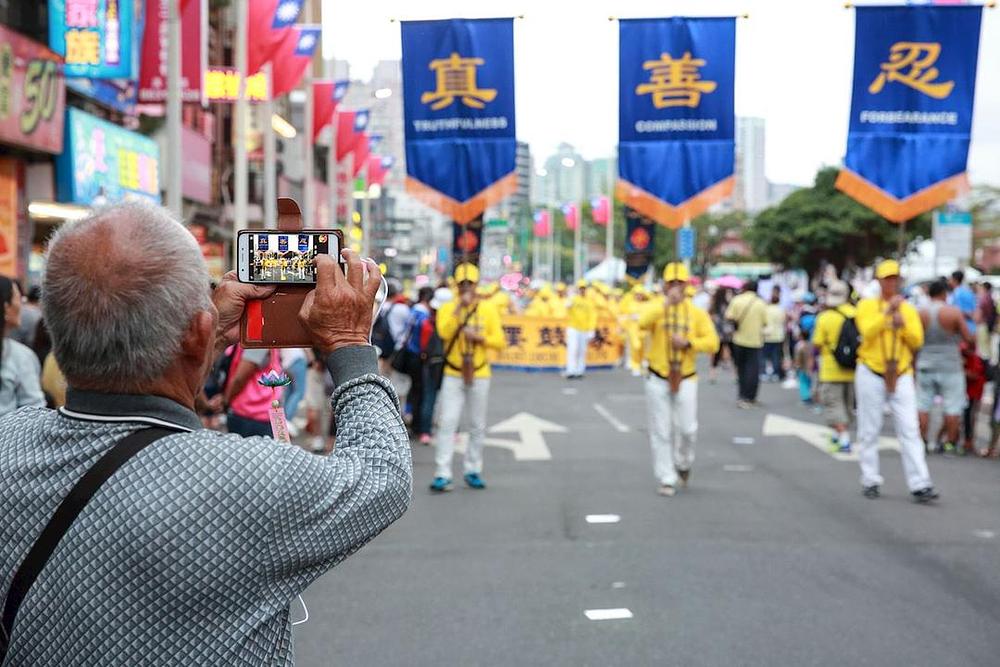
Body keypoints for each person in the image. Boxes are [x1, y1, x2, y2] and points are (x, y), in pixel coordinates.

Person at [0, 202, 411, 665]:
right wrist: (349, 343)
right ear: (199, 329)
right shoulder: (246, 480)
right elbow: (383, 475)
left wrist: (205, 340)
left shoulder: (9, 443)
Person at [854, 259, 937, 502]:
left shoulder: (908, 309)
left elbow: (917, 341)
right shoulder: (867, 306)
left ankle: (920, 483)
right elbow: (866, 333)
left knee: (910, 429)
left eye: (894, 278)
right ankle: (870, 479)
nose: (891, 282)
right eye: (887, 278)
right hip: (871, 370)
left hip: (900, 373)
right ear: (879, 281)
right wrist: (887, 314)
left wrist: (901, 326)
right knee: (869, 429)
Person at [639, 263, 719, 497]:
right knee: (661, 430)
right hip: (657, 376)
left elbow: (712, 342)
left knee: (687, 429)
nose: (675, 289)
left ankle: (683, 463)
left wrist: (689, 343)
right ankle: (666, 476)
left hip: (686, 376)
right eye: (670, 284)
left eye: (679, 284)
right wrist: (665, 305)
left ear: (686, 286)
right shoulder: (656, 307)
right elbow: (642, 323)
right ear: (664, 286)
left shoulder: (696, 313)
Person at [430, 263, 504, 492]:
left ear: (476, 284)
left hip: (479, 372)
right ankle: (442, 472)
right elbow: (443, 332)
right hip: (453, 372)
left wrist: (480, 338)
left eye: (469, 283)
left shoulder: (488, 309)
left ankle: (473, 469)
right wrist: (457, 312)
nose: (466, 288)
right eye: (462, 284)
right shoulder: (447, 308)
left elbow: (499, 341)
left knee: (477, 425)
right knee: (447, 423)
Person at [917, 279, 973, 454]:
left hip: (925, 362)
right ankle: (949, 443)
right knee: (952, 406)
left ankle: (923, 440)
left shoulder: (921, 313)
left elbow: (914, 339)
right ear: (944, 294)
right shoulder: (953, 313)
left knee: (923, 404)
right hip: (951, 364)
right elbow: (969, 339)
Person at [811, 280, 856, 453]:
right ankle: (838, 436)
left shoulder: (824, 317)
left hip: (831, 369)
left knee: (833, 404)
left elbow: (817, 344)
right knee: (847, 405)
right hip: (852, 368)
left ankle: (844, 439)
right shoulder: (855, 314)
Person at [0, 276, 45, 418]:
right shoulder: (20, 357)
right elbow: (34, 413)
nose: (22, 305)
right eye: (19, 298)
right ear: (6, 307)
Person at [725, 280, 768, 408]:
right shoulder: (761, 303)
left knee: (742, 369)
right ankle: (751, 397)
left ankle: (742, 396)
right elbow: (765, 322)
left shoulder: (737, 300)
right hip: (755, 341)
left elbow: (728, 316)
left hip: (739, 339)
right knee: (753, 370)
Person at [565, 280, 597, 380]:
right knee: (573, 349)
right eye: (580, 288)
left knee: (582, 350)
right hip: (573, 327)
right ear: (578, 289)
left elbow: (593, 316)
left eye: (584, 288)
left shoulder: (589, 301)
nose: (582, 290)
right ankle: (571, 370)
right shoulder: (574, 299)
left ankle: (580, 371)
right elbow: (566, 307)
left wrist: (591, 329)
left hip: (584, 329)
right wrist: (569, 300)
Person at [708, 287, 732, 383]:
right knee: (732, 353)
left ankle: (712, 375)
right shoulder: (727, 305)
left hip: (716, 333)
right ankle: (736, 375)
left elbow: (709, 316)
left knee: (716, 355)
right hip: (727, 332)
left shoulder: (714, 305)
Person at [762, 286, 786, 381]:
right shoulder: (781, 310)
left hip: (767, 335)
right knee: (776, 356)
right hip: (778, 335)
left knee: (765, 356)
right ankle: (776, 373)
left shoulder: (766, 309)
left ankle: (765, 372)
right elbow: (784, 321)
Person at [793, 329, 815, 406]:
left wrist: (796, 365)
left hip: (802, 367)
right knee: (809, 381)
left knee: (803, 382)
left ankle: (805, 397)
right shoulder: (810, 344)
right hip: (810, 367)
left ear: (801, 336)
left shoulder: (799, 345)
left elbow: (797, 357)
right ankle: (810, 395)